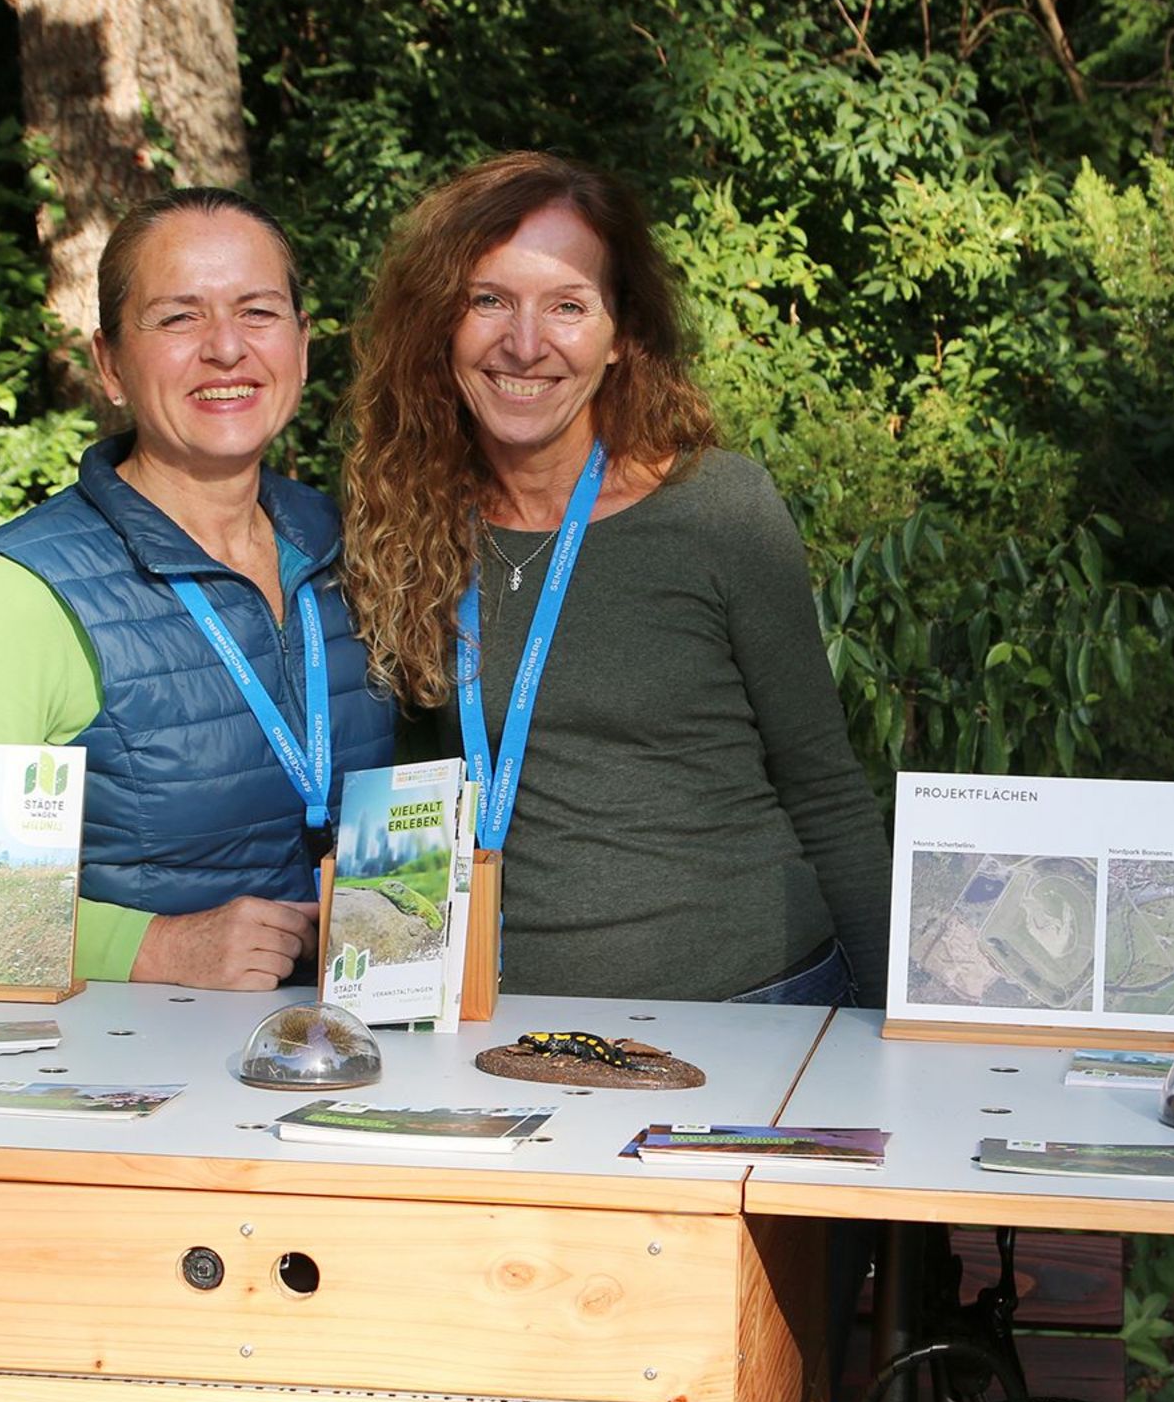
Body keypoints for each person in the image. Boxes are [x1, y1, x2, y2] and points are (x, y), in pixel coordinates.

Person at [340, 152, 889, 1005]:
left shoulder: (717, 509)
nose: (525, 342)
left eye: (567, 305)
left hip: (751, 1011)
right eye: (489, 299)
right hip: (499, 1024)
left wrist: (902, 1023)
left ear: (622, 336)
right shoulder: (402, 521)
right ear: (439, 322)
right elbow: (407, 794)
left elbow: (823, 786)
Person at [0, 188, 393, 988]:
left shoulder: (362, 547)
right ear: (109, 363)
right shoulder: (20, 595)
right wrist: (149, 946)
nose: (226, 348)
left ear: (302, 345)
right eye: (178, 318)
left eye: (258, 312)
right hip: (130, 1077)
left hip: (356, 1058)